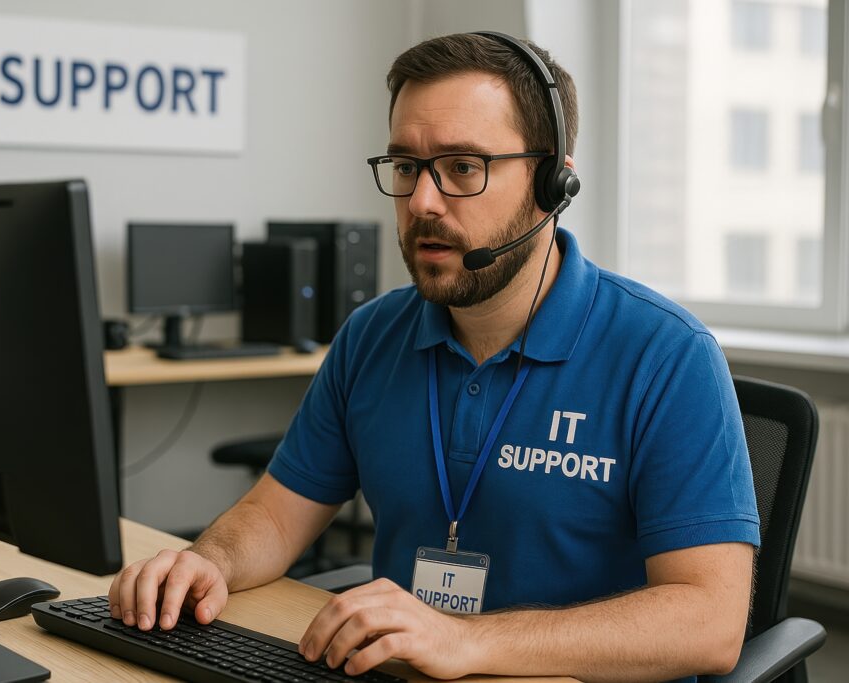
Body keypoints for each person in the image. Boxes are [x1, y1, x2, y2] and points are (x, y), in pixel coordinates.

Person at [109, 32, 759, 682]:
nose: (421, 200)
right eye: (405, 166)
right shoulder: (372, 336)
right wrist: (208, 561)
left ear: (553, 182)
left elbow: (709, 621)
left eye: (463, 167)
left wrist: (469, 640)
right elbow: (275, 518)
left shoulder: (667, 356)